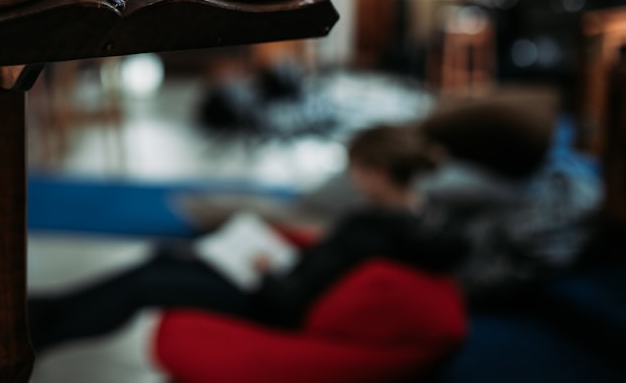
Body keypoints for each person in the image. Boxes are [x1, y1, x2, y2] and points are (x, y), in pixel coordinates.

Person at [28, 124, 468, 353]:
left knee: (150, 283)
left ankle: (42, 328)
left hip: (274, 303)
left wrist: (264, 267)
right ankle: (48, 311)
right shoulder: (427, 218)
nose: (352, 179)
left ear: (377, 172)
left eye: (356, 170)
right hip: (285, 279)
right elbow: (330, 267)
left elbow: (294, 302)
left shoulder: (371, 230)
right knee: (168, 255)